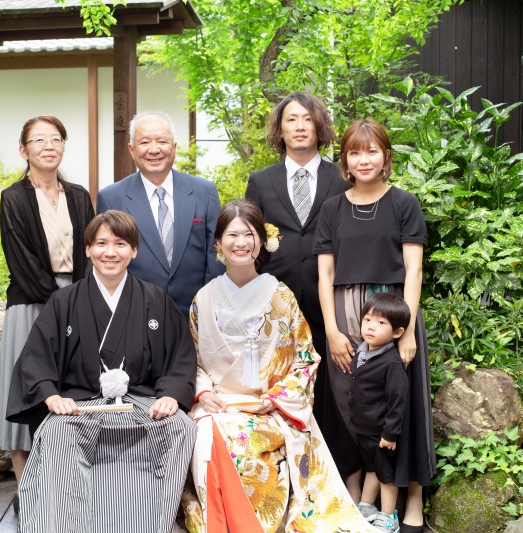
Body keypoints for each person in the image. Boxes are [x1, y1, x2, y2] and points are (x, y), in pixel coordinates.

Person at [181, 199, 374, 533]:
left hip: (270, 408)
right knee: (205, 434)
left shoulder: (281, 295)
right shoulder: (204, 298)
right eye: (232, 235)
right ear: (219, 243)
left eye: (248, 234)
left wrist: (279, 396)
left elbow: (305, 359)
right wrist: (204, 392)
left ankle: (249, 524)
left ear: (262, 240)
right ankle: (221, 523)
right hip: (219, 405)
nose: (240, 243)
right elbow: (193, 360)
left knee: (238, 441)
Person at [6, 210, 197, 533]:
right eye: (101, 243)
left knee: (179, 427)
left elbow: (179, 356)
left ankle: (149, 523)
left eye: (121, 243)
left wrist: (170, 395)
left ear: (134, 250)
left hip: (140, 402)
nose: (110, 252)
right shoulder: (63, 301)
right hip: (80, 404)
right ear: (88, 250)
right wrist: (51, 396)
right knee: (56, 432)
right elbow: (36, 357)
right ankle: (65, 525)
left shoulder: (156, 300)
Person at [314, 118, 436, 533]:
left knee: (403, 406)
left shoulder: (404, 203)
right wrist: (331, 330)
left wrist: (406, 331)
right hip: (346, 318)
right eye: (354, 152)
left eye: (371, 151)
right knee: (355, 410)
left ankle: (413, 495)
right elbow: (325, 275)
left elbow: (414, 270)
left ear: (386, 156)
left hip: (394, 314)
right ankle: (362, 499)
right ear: (344, 159)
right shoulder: (332, 208)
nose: (362, 159)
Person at [244, 92, 358, 493]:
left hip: (333, 294)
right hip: (279, 299)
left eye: (306, 119)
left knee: (332, 385)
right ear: (280, 129)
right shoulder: (261, 180)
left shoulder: (340, 177)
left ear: (319, 126)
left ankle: (336, 475)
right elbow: (253, 240)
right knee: (281, 380)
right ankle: (286, 473)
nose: (299, 126)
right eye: (291, 119)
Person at [0, 115, 95, 504]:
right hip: (31, 301)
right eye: (38, 140)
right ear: (24, 150)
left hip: (77, 298)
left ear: (63, 147)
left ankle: (68, 483)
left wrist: (83, 300)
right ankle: (25, 487)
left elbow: (89, 253)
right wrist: (62, 303)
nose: (48, 146)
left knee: (72, 384)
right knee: (24, 387)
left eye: (56, 139)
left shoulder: (80, 196)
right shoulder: (13, 197)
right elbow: (21, 260)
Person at [96, 111, 223, 316]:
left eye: (162, 141)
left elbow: (216, 252)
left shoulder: (204, 191)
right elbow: (105, 259)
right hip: (134, 312)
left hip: (196, 313)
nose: (154, 150)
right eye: (144, 142)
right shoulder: (112, 198)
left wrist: (208, 305)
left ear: (173, 146)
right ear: (131, 149)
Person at [351, 293, 411, 533]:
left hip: (381, 431)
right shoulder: (362, 351)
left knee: (386, 474)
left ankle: (389, 517)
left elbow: (398, 400)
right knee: (372, 467)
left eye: (380, 323)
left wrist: (390, 433)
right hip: (363, 426)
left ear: (397, 333)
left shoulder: (391, 363)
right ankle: (366, 506)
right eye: (367, 320)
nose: (371, 327)